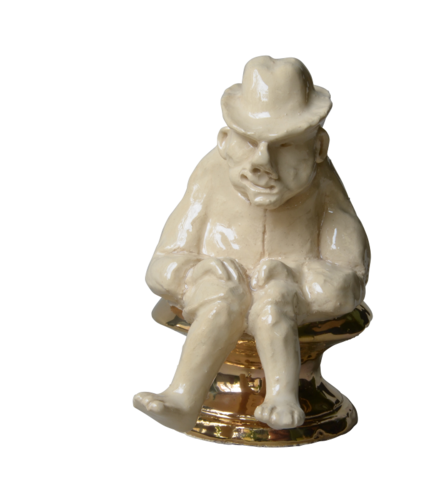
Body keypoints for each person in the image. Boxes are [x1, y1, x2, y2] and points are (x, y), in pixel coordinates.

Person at [132, 55, 371, 432]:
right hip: (218, 295)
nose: (263, 163)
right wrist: (196, 272)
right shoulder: (210, 176)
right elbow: (161, 266)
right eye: (249, 142)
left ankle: (283, 397)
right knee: (222, 298)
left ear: (319, 147)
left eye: (286, 145)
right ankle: (182, 397)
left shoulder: (324, 189)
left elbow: (348, 279)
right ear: (225, 141)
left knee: (274, 303)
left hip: (284, 302)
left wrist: (296, 280)